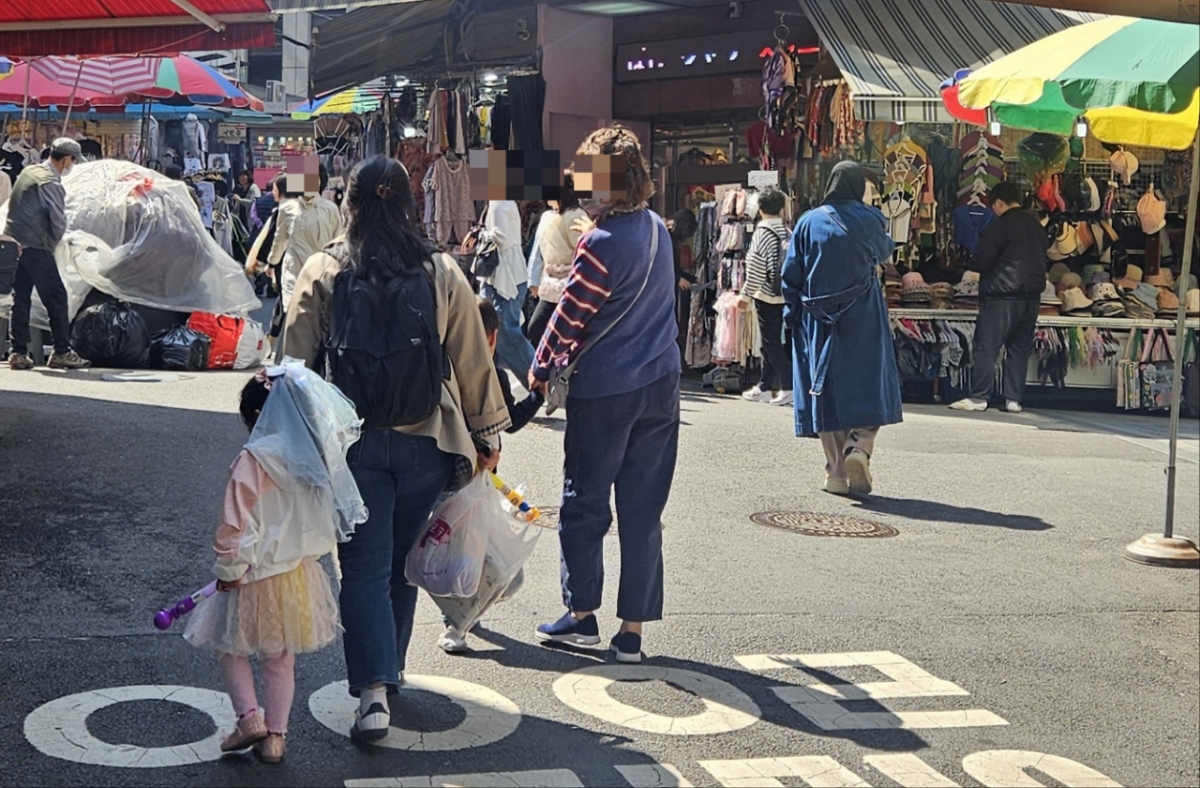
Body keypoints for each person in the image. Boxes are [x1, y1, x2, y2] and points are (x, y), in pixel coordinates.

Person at [284, 155, 510, 741]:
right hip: (426, 443)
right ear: (410, 204)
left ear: (351, 204)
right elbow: (472, 360)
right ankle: (396, 668)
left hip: (351, 447)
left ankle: (374, 696)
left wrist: (286, 446)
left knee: (360, 568)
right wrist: (487, 436)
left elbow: (292, 365)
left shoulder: (324, 269)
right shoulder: (440, 270)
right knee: (401, 567)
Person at [528, 126, 680, 664]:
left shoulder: (599, 242)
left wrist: (540, 366)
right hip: (662, 385)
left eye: (596, 179)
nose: (587, 189)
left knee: (585, 504)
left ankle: (582, 614)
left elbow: (570, 315)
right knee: (643, 510)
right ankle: (632, 631)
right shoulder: (659, 231)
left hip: (607, 390)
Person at [183, 365, 366, 764]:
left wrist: (229, 566)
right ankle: (276, 738)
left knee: (230, 647)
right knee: (281, 658)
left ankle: (249, 718)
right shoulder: (315, 457)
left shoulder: (254, 460)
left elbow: (235, 520)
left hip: (250, 574)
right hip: (297, 575)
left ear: (256, 418)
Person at [782, 161, 901, 497]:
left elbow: (791, 276)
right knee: (869, 383)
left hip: (818, 320)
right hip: (862, 315)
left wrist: (791, 318)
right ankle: (859, 448)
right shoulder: (870, 218)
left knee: (826, 391)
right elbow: (884, 253)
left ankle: (835, 472)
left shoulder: (807, 222)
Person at [436, 296, 545, 654]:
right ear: (494, 337)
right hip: (477, 481)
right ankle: (458, 622)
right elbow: (510, 421)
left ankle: (461, 614)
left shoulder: (445, 367)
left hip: (450, 477)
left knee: (461, 554)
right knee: (490, 563)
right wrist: (537, 396)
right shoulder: (492, 375)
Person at [950, 181, 1048, 414]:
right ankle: (1013, 399)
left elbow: (983, 260)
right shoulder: (1036, 226)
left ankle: (979, 396)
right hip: (1032, 297)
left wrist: (966, 263)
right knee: (1018, 349)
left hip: (1001, 296)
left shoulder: (999, 226)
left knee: (988, 346)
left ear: (999, 203)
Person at [4, 137, 90, 371]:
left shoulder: (29, 171)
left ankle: (18, 352)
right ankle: (62, 351)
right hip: (36, 244)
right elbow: (57, 220)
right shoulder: (51, 182)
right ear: (65, 160)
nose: (72, 166)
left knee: (20, 300)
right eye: (73, 161)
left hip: (14, 242)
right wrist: (60, 242)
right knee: (57, 298)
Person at [269, 167, 340, 360]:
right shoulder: (287, 208)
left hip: (323, 274)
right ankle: (290, 364)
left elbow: (338, 240)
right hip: (294, 272)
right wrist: (271, 262)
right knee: (295, 320)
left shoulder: (331, 209)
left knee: (320, 320)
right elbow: (280, 238)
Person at [740, 188, 794, 407]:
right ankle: (765, 385)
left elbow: (756, 269)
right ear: (782, 209)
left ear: (760, 209)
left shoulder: (762, 233)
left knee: (771, 342)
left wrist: (745, 295)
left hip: (766, 295)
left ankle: (788, 386)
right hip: (785, 294)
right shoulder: (788, 232)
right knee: (774, 341)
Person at [476, 199, 536, 377]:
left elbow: (500, 237)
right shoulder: (505, 201)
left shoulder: (497, 202)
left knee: (506, 336)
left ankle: (541, 383)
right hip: (510, 275)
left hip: (503, 277)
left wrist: (480, 235)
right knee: (498, 332)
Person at [525, 174, 587, 347]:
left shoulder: (576, 216)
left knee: (562, 333)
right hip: (550, 284)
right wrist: (534, 279)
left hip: (570, 285)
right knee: (537, 329)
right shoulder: (546, 216)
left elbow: (584, 253)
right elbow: (537, 251)